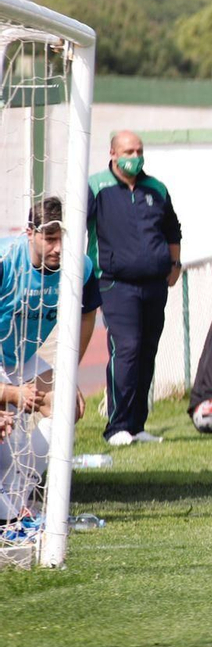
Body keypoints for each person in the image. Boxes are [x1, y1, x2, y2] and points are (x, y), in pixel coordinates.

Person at [1, 197, 100, 525]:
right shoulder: (5, 261)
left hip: (25, 357)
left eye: (64, 239)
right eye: (50, 238)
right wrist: (8, 393)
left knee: (67, 405)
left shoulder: (80, 267)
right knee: (5, 432)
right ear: (30, 233)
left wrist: (69, 372)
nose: (59, 248)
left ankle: (18, 495)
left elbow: (87, 316)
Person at [86, 130, 182, 446]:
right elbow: (75, 227)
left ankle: (137, 425)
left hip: (155, 284)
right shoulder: (95, 187)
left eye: (139, 150)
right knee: (126, 349)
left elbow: (172, 229)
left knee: (146, 352)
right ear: (113, 153)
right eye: (128, 150)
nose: (135, 156)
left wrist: (174, 264)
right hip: (115, 283)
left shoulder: (156, 188)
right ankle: (117, 426)